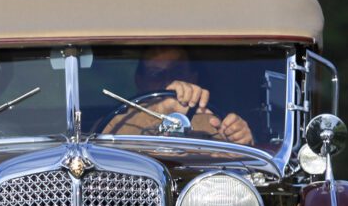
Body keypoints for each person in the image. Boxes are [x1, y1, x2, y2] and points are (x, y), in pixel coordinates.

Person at [104, 46, 254, 145]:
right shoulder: (121, 120)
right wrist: (161, 109)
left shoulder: (211, 121)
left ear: (193, 78)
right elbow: (102, 146)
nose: (169, 81)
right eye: (156, 74)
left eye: (177, 72)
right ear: (140, 81)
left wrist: (239, 136)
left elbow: (233, 165)